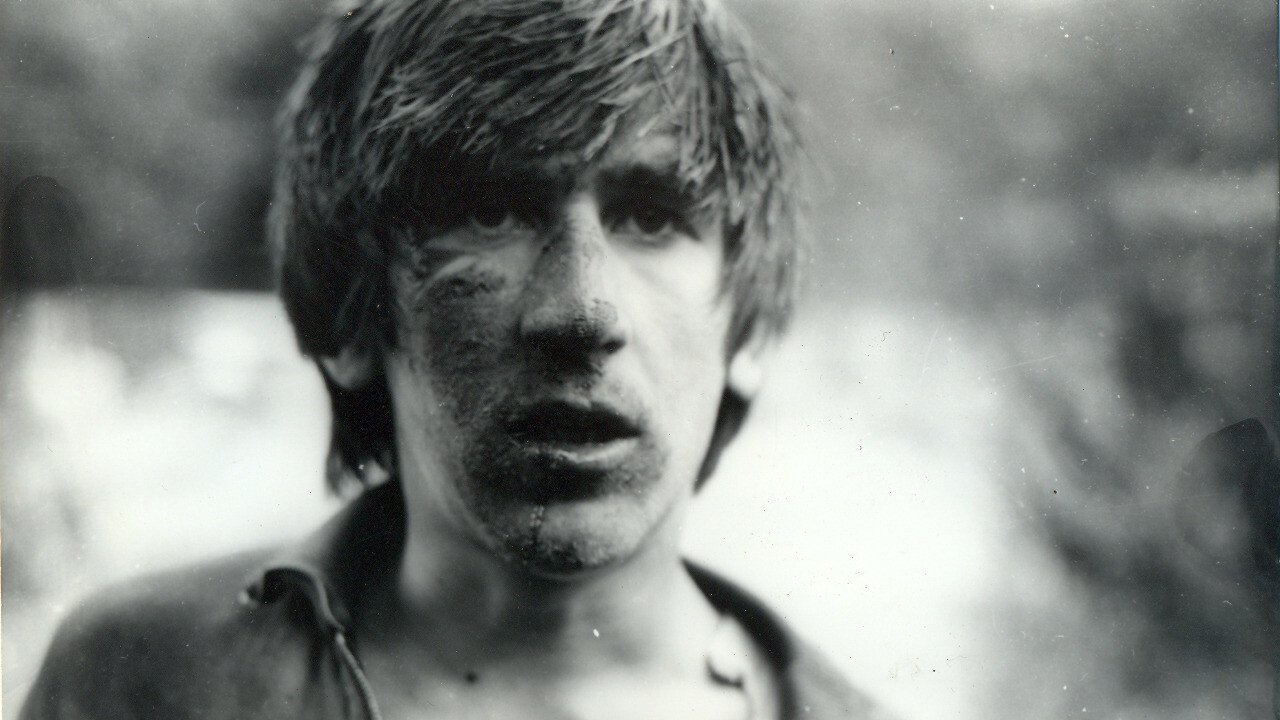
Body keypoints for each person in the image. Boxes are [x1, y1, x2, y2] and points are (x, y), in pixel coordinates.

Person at [19, 1, 897, 718]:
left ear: (747, 331)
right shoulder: (135, 681)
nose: (582, 311)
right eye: (488, 212)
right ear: (352, 320)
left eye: (651, 217)